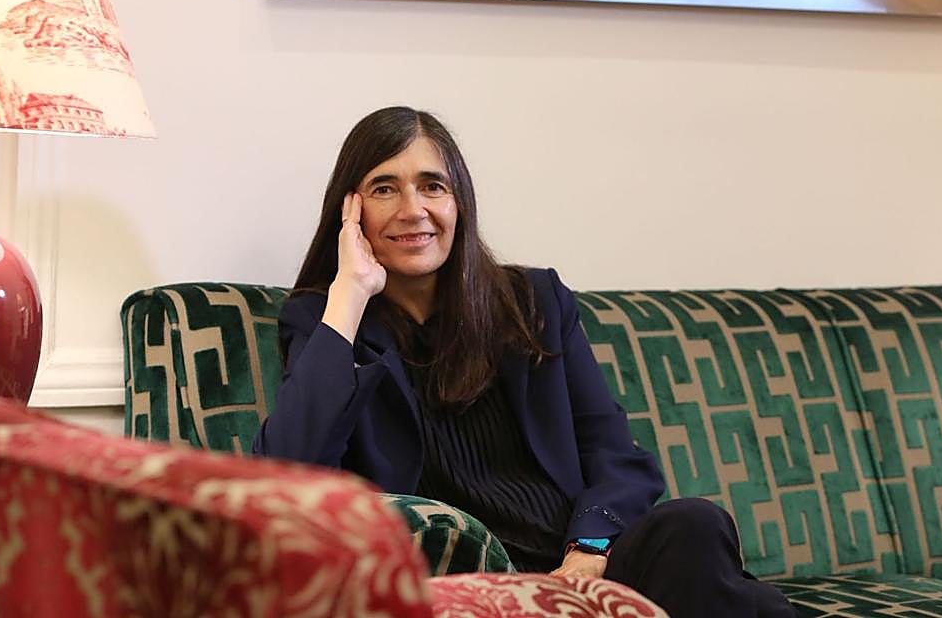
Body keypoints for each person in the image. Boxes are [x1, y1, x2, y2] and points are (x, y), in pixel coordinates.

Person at [253, 106, 796, 618]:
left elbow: (612, 451)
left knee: (693, 525)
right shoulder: (325, 322)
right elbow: (289, 474)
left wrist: (589, 550)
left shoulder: (533, 303)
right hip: (465, 590)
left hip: (576, 566)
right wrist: (349, 294)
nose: (413, 209)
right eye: (384, 188)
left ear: (460, 203)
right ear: (350, 210)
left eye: (433, 186)